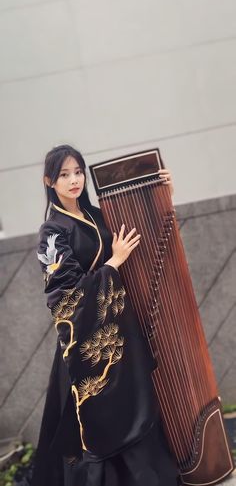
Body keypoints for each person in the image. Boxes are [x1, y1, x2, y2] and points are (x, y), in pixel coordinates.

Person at [31, 144, 178, 486]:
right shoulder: (52, 232)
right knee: (101, 419)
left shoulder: (95, 215)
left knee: (136, 404)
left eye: (78, 172)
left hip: (119, 331)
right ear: (49, 181)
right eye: (64, 174)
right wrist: (112, 263)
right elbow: (64, 297)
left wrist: (164, 193)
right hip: (87, 343)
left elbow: (137, 236)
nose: (74, 180)